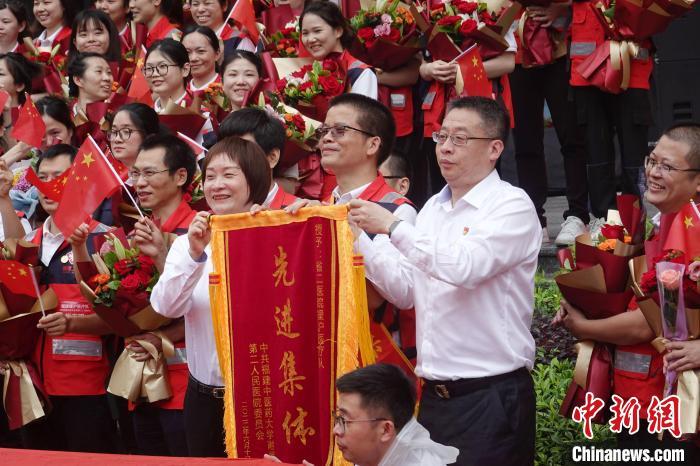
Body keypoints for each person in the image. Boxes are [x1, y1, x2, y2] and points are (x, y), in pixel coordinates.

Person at [347, 96, 540, 466]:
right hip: (435, 398)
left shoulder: (511, 205)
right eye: (442, 136)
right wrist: (356, 236)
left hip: (491, 396)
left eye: (460, 139)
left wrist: (393, 226)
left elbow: (465, 267)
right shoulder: (434, 208)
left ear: (494, 149)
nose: (446, 148)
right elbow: (405, 290)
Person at [554, 123, 700, 463]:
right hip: (641, 396)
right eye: (652, 161)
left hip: (671, 403)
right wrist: (585, 302)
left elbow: (647, 324)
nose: (654, 173)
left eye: (668, 167)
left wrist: (584, 326)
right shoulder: (662, 226)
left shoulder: (689, 233)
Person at [150, 137, 271, 457]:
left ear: (255, 180)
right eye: (211, 176)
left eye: (229, 175)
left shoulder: (275, 236)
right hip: (203, 399)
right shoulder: (187, 243)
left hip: (261, 395)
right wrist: (194, 254)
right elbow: (165, 306)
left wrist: (264, 235)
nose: (217, 185)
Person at [0, 144, 118, 453]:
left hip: (88, 387)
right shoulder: (31, 241)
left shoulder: (106, 240)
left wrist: (72, 323)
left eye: (59, 177)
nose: (48, 186)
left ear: (81, 181)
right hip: (33, 386)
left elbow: (122, 320)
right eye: (42, 178)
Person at [123, 134, 197, 457]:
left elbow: (207, 306)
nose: (140, 182)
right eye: (136, 173)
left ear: (180, 176)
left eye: (150, 173)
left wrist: (161, 337)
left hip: (189, 385)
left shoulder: (200, 231)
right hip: (142, 380)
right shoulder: (137, 233)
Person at [266, 363, 458, 466]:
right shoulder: (375, 456)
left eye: (345, 420)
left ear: (385, 430)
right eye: (337, 417)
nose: (336, 430)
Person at [569, 0, 653, 235]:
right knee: (596, 149)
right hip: (587, 70)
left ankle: (634, 220)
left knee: (634, 151)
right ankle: (604, 220)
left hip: (634, 66)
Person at [510, 3, 590, 245]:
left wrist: (561, 6)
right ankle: (534, 218)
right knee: (526, 142)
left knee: (572, 137)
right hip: (517, 51)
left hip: (560, 46)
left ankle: (578, 214)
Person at [219, 106, 298, 208]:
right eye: (224, 149)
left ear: (272, 157)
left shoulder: (305, 213)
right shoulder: (211, 216)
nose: (229, 159)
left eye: (242, 148)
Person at [298, 1, 377, 99]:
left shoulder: (361, 73)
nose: (310, 39)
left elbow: (364, 109)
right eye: (305, 33)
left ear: (338, 31)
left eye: (317, 31)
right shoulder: (310, 74)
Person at [144, 38, 192, 113]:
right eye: (149, 68)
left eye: (162, 66)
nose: (155, 74)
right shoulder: (142, 116)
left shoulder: (200, 115)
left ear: (185, 69)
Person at [66, 52, 114, 119]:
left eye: (109, 72)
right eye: (99, 71)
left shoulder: (117, 117)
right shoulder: (62, 117)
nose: (107, 78)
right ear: (78, 80)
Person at [182, 25, 221, 94]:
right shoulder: (178, 95)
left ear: (217, 54)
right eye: (187, 52)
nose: (193, 58)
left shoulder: (229, 90)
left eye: (201, 51)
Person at [220, 50, 261, 114]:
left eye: (249, 74)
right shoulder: (212, 119)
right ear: (222, 82)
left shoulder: (273, 118)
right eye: (233, 74)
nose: (241, 81)